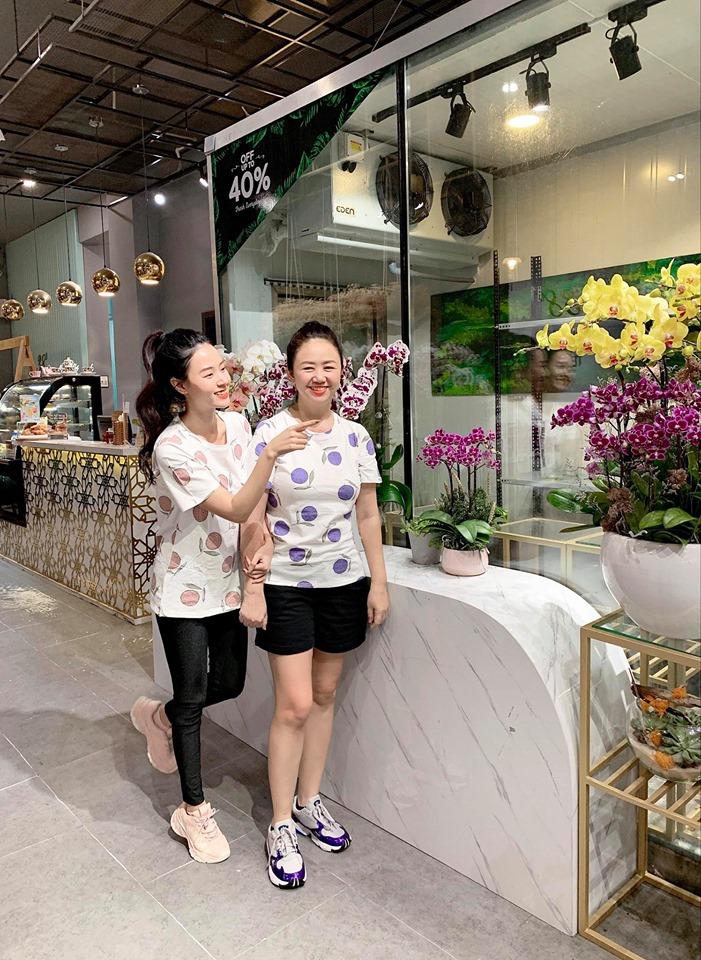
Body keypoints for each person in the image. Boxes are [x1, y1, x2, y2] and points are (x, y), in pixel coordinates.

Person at [130, 329, 315, 865]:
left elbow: (253, 505)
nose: (222, 380)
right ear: (179, 386)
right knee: (192, 696)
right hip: (184, 587)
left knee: (229, 682)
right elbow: (231, 504)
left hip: (230, 581)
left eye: (223, 368)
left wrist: (259, 560)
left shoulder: (236, 424)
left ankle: (160, 717)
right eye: (208, 373)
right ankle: (193, 810)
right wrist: (271, 453)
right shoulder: (172, 446)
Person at [239, 321, 389, 889]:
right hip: (286, 584)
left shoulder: (356, 437)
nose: (319, 376)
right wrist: (254, 586)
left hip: (344, 582)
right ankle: (280, 823)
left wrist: (378, 583)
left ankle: (308, 801)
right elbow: (252, 515)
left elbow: (368, 515)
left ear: (342, 372)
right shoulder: (270, 432)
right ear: (291, 374)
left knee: (324, 696)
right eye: (309, 367)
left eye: (329, 366)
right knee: (295, 705)